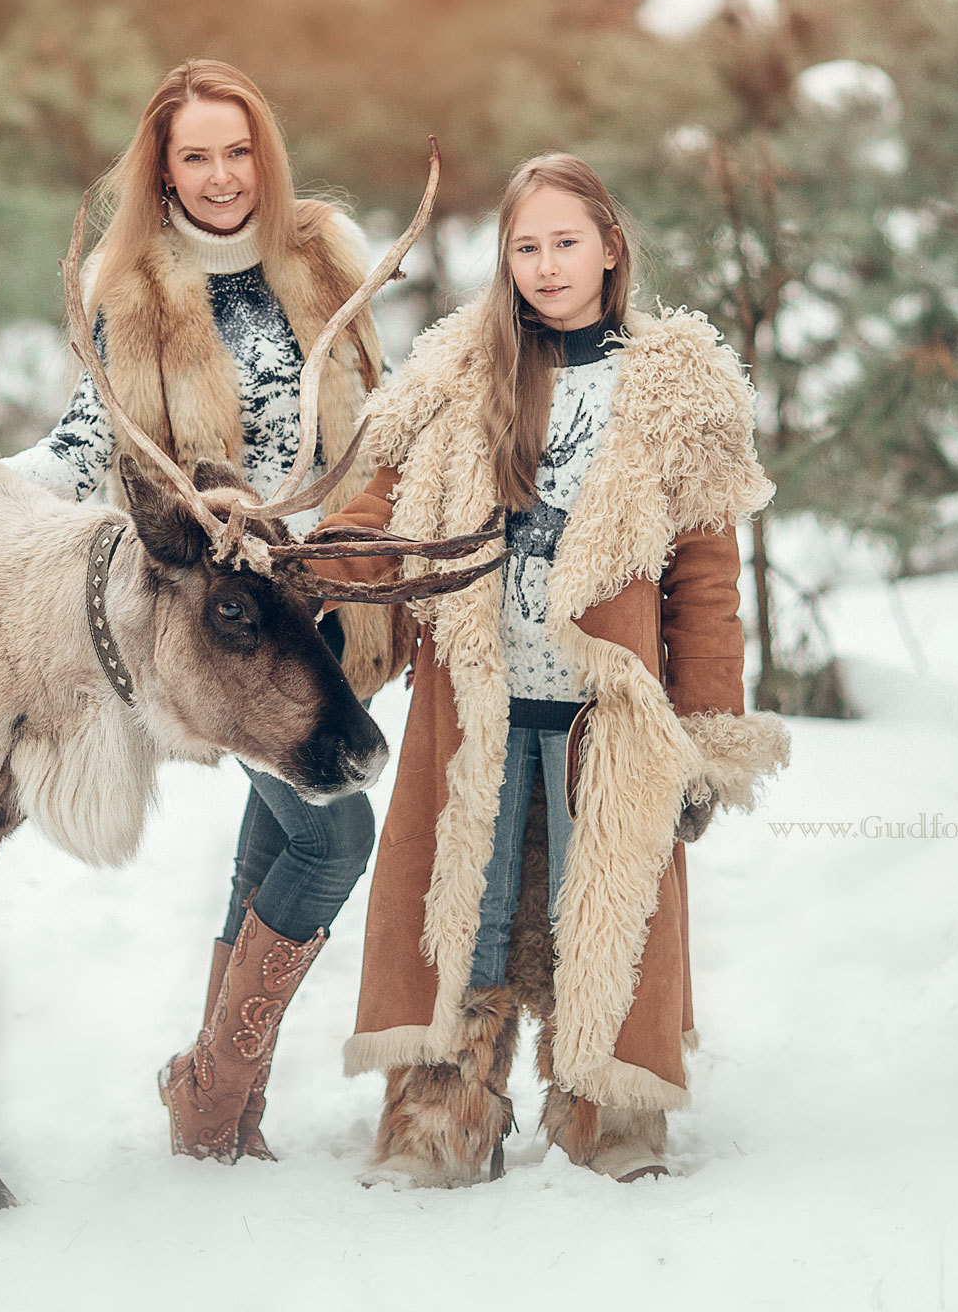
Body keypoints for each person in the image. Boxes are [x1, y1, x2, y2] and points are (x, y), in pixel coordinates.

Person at [307, 152, 789, 1186]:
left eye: (564, 242)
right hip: (474, 707)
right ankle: (437, 1128)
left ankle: (610, 1126)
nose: (545, 265)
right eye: (524, 247)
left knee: (603, 913)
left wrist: (705, 737)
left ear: (609, 246)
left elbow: (702, 584)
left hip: (602, 718)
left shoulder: (673, 389)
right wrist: (310, 561)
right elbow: (376, 509)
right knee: (460, 919)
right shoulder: (458, 375)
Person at [3, 58, 399, 1162]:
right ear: (162, 169)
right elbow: (88, 449)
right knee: (333, 830)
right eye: (195, 156)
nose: (221, 176)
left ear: (261, 157)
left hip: (322, 604)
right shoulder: (131, 288)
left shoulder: (322, 259)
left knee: (273, 836)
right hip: (219, 624)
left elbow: (379, 413)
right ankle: (214, 1094)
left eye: (238, 152)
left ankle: (222, 1105)